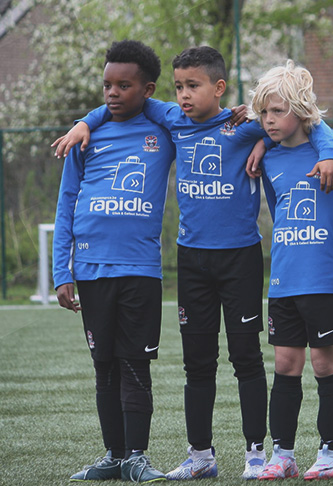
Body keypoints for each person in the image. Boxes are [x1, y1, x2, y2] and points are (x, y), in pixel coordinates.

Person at [54, 46, 333, 480]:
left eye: (193, 86)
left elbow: (308, 124)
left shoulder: (245, 125)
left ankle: (255, 453)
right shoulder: (171, 119)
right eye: (179, 87)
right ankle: (200, 455)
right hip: (191, 260)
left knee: (246, 357)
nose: (184, 95)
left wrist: (280, 143)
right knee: (198, 362)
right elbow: (125, 97)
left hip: (240, 257)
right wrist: (84, 122)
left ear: (219, 87)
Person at [53, 39, 174, 483]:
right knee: (103, 365)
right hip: (90, 270)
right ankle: (114, 455)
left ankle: (137, 456)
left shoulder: (163, 129)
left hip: (139, 270)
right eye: (107, 85)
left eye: (125, 85)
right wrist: (61, 271)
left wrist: (89, 117)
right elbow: (66, 204)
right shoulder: (83, 139)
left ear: (148, 90)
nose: (113, 93)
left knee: (134, 364)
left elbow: (190, 113)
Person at [240, 60, 333, 481]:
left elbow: (327, 132)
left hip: (323, 279)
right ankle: (283, 453)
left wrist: (326, 148)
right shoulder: (268, 158)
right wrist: (260, 141)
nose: (268, 120)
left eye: (278, 111)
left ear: (302, 111)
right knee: (285, 365)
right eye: (264, 113)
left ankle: (331, 453)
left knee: (324, 364)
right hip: (283, 281)